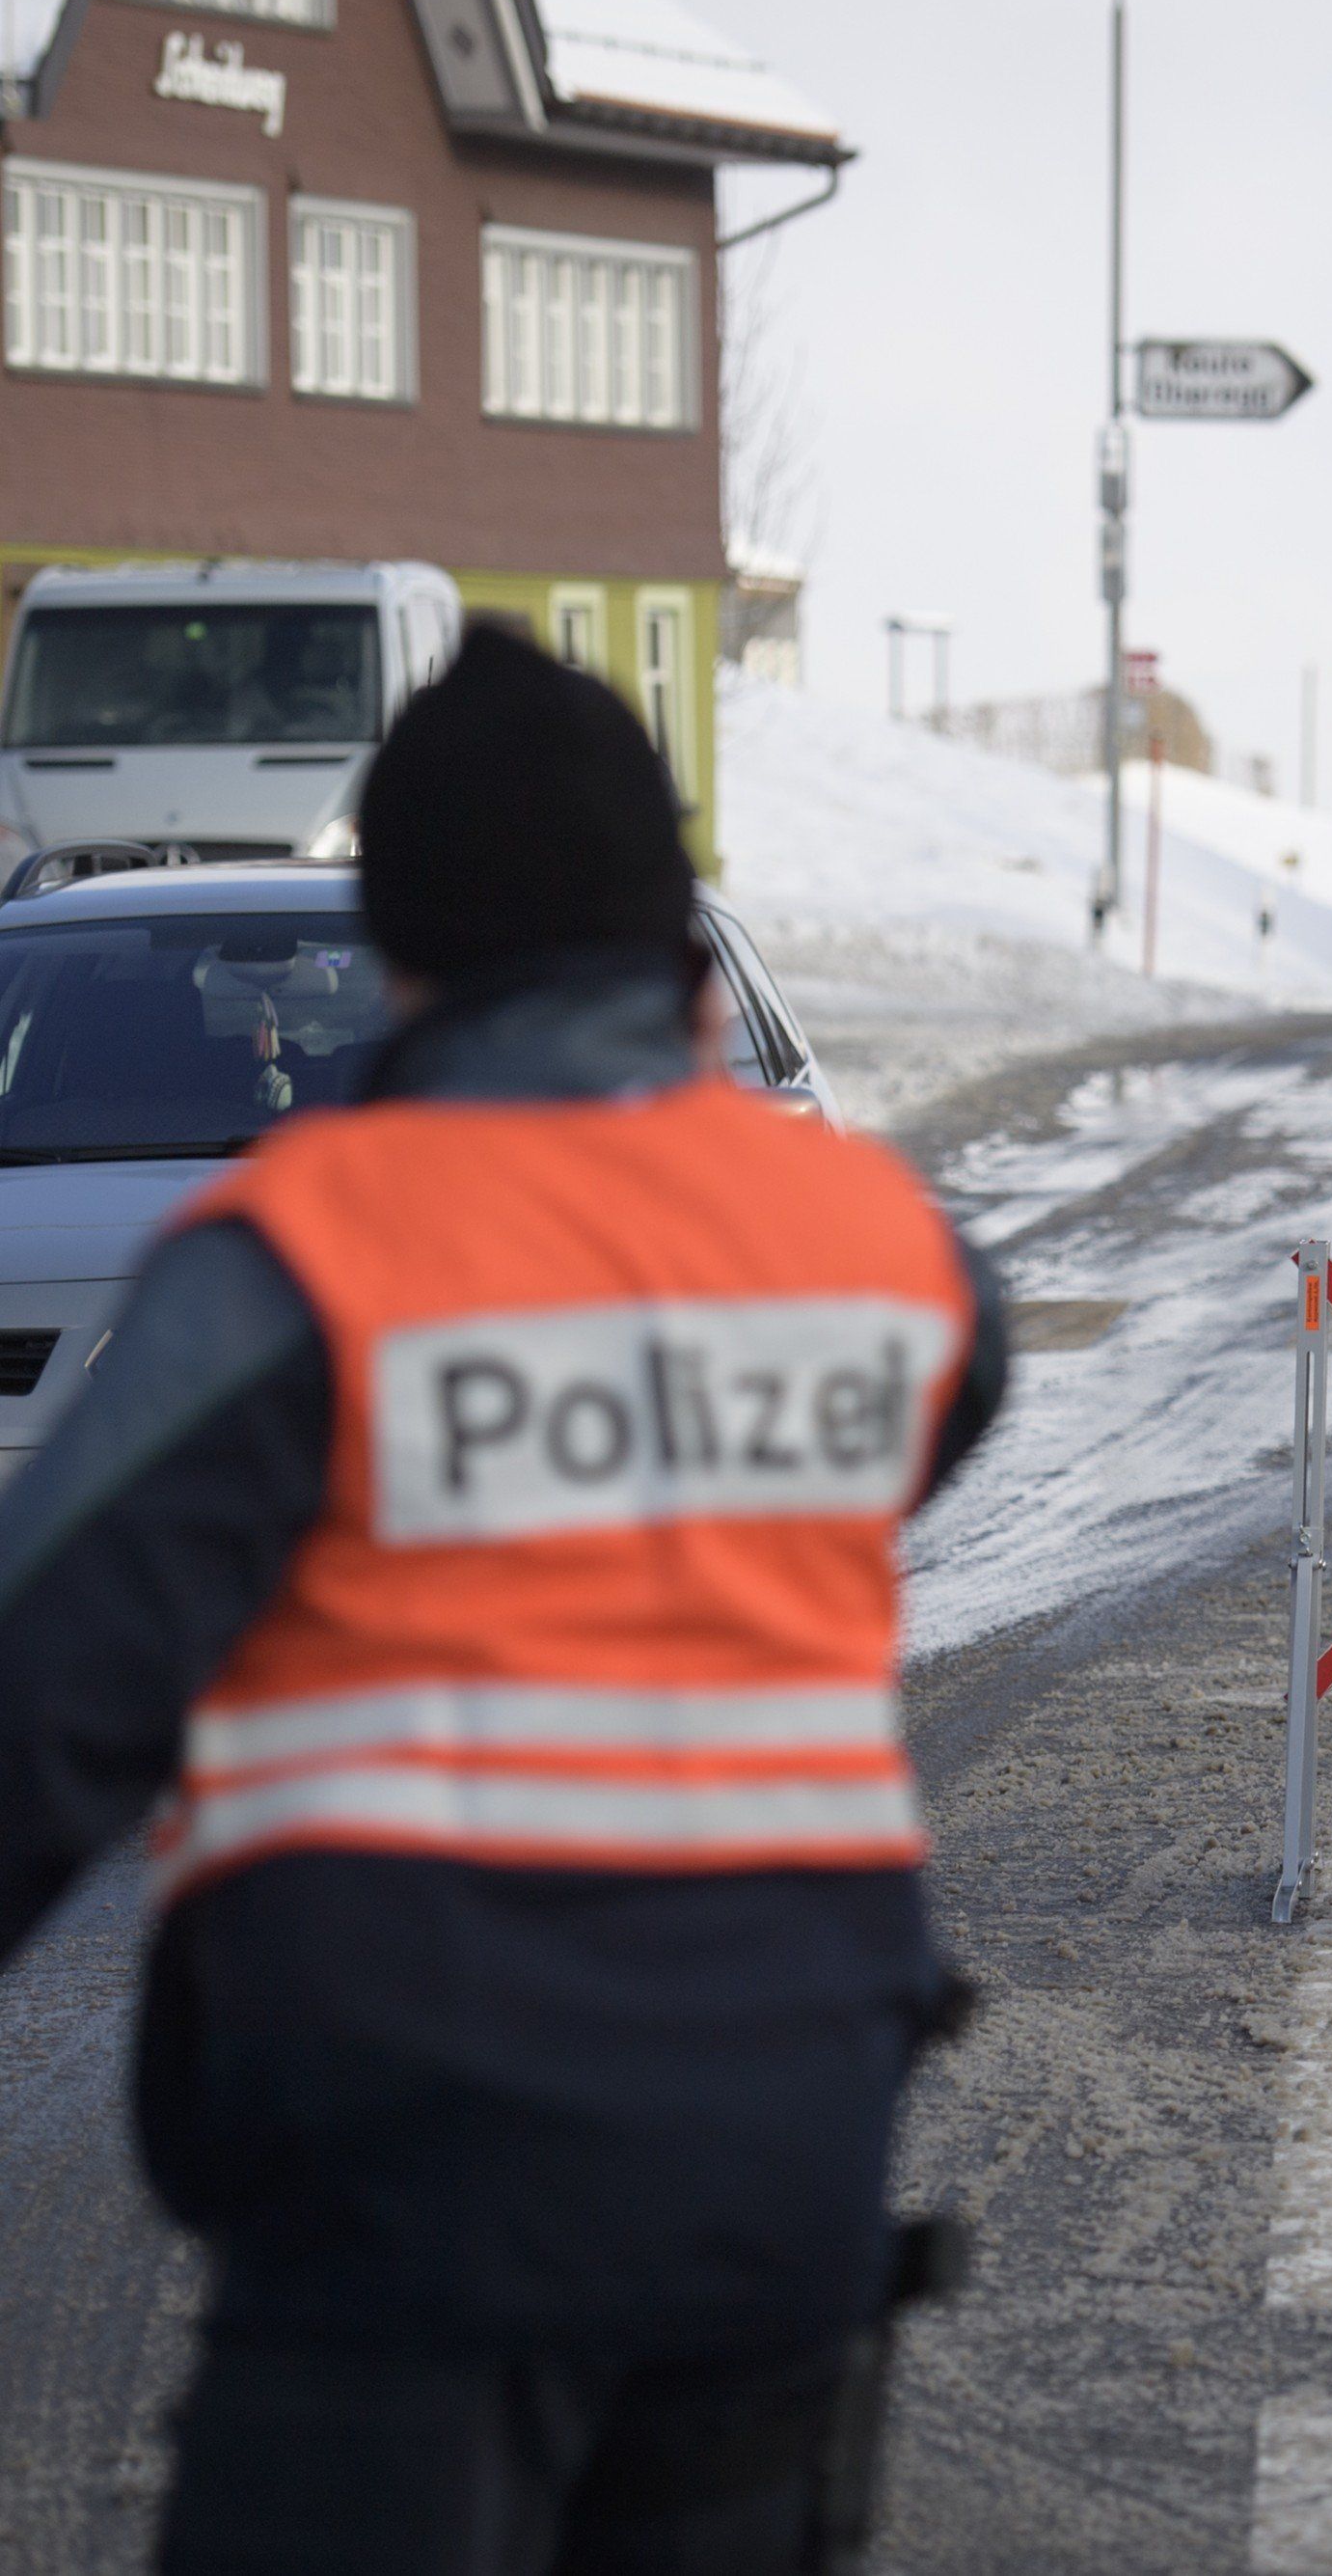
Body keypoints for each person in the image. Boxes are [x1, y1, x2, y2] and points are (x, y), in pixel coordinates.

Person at [0, 626, 1009, 2572]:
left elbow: (45, 1708)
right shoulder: (892, 1257)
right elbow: (926, 1406)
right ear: (675, 945)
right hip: (780, 2179)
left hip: (407, 2191)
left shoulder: (299, 1259)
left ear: (402, 945)